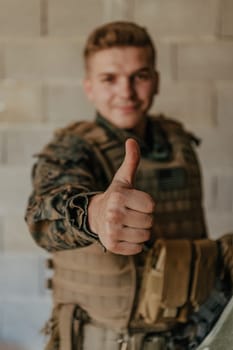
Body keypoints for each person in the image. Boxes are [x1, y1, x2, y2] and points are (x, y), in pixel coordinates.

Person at [25, 21, 232, 350]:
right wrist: (94, 214)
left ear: (156, 81)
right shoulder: (71, 149)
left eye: (140, 76)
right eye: (109, 79)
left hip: (188, 337)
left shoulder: (178, 142)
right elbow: (43, 216)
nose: (126, 92)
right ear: (89, 87)